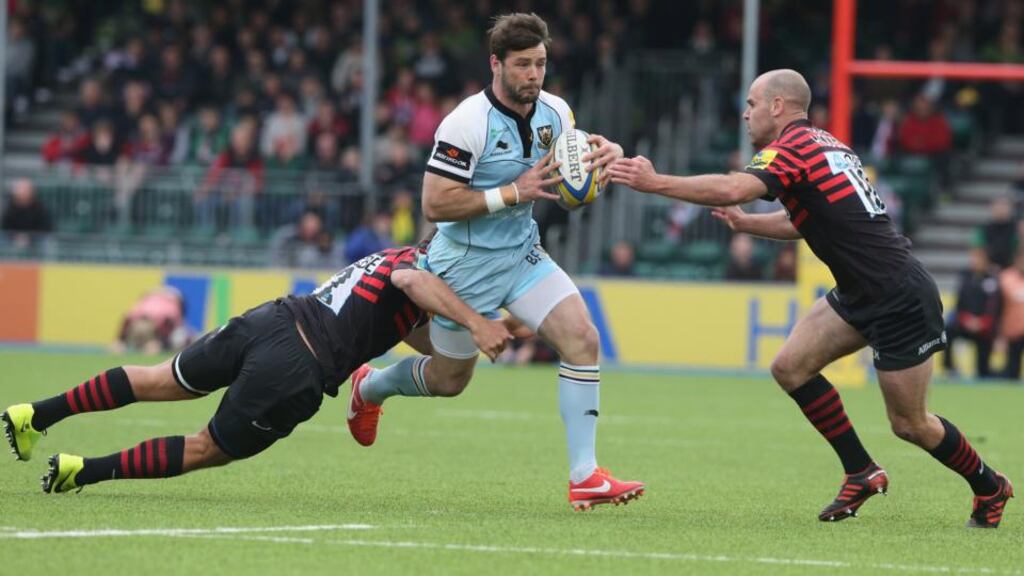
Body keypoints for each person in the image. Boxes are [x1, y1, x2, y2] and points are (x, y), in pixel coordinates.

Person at [608, 69, 1012, 528]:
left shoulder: (793, 148)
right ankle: (861, 471)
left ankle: (989, 486)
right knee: (790, 367)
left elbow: (734, 187)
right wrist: (746, 225)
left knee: (910, 424)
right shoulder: (826, 144)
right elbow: (807, 221)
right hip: (862, 290)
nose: (745, 114)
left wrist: (655, 181)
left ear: (778, 106)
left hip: (898, 296)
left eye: (753, 103)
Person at [347, 12, 644, 511]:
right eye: (523, 64)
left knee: (583, 339)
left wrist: (604, 158)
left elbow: (572, 175)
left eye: (541, 64)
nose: (534, 74)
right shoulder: (466, 124)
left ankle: (584, 475)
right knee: (449, 382)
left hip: (522, 254)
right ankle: (371, 385)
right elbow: (435, 204)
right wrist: (513, 192)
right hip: (462, 265)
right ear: (496, 64)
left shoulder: (557, 113)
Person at [2, 240, 513, 494]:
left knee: (162, 378)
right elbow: (414, 285)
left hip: (272, 318)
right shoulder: (420, 268)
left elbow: (424, 339)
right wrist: (475, 319)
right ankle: (82, 472)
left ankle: (36, 415)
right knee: (209, 449)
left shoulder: (391, 258)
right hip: (296, 365)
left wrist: (483, 328)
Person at [943, 248, 1001, 379]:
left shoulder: (993, 279)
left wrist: (982, 322)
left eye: (978, 259)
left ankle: (984, 371)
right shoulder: (965, 277)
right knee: (947, 332)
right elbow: (959, 303)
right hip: (965, 323)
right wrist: (966, 319)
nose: (974, 262)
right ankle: (950, 368)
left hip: (984, 327)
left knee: (983, 369)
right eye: (973, 258)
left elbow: (994, 306)